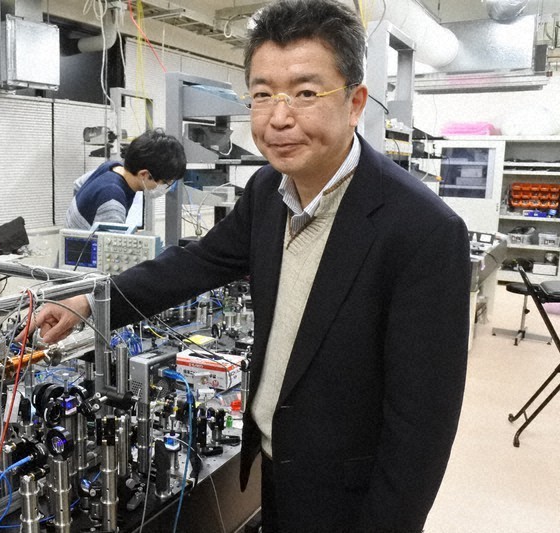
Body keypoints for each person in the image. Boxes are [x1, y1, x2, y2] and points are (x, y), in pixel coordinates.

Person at [35, 0, 470, 530]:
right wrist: (87, 303)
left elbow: (420, 429)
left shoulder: (423, 231)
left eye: (306, 93)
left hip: (350, 495)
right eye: (263, 95)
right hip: (272, 468)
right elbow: (194, 264)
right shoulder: (268, 191)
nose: (279, 117)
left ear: (355, 102)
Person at [65, 128, 187, 230]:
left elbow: (78, 184)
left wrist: (76, 225)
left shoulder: (110, 167)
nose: (165, 188)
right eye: (165, 183)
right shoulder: (112, 199)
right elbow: (110, 252)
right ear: (144, 174)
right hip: (83, 257)